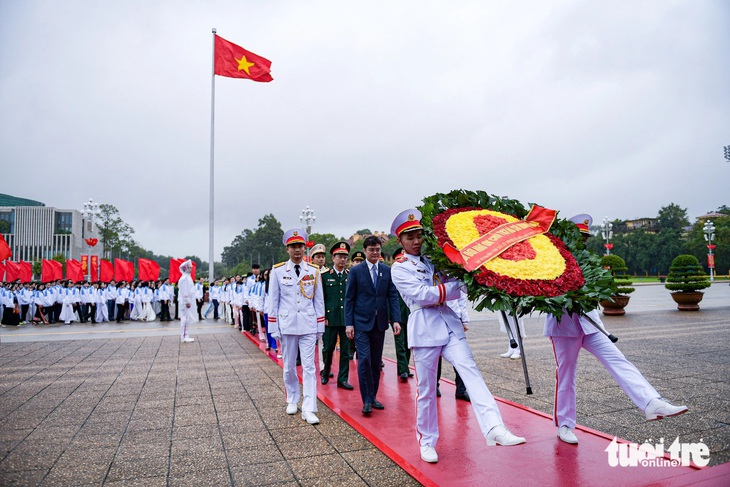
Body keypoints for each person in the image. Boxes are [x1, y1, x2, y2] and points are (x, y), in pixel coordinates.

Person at [390, 208, 526, 464]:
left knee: (471, 371)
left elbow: (461, 277)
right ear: (400, 241)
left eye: (419, 235)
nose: (416, 241)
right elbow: (423, 295)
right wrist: (455, 287)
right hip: (424, 329)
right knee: (427, 389)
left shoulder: (438, 257)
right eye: (410, 237)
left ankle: (494, 427)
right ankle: (427, 441)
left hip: (449, 324)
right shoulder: (399, 268)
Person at [546, 214, 688, 445]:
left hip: (591, 324)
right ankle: (565, 424)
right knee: (566, 376)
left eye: (585, 237)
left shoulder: (588, 260)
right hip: (563, 327)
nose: (583, 241)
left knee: (619, 360)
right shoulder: (551, 260)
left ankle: (651, 402)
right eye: (578, 236)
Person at [268, 228, 324, 425]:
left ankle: (309, 407)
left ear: (304, 248)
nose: (297, 250)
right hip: (288, 324)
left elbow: (319, 300)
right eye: (293, 246)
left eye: (300, 246)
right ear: (287, 249)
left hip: (308, 324)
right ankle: (292, 398)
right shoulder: (278, 271)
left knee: (309, 367)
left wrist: (319, 326)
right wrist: (273, 326)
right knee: (289, 367)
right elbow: (273, 300)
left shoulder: (314, 271)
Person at [345, 235, 402, 415]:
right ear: (365, 251)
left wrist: (396, 320)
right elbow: (349, 298)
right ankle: (366, 400)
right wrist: (349, 324)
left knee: (376, 363)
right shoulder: (356, 271)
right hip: (361, 323)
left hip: (379, 323)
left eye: (377, 249)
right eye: (371, 250)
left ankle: (373, 396)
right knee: (365, 360)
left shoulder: (386, 271)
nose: (375, 253)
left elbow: (392, 296)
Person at [321, 241, 353, 390]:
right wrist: (323, 317)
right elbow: (321, 299)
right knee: (328, 348)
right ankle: (325, 373)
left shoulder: (350, 276)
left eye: (345, 256)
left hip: (345, 319)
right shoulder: (325, 276)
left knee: (345, 351)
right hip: (330, 318)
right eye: (339, 256)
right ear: (333, 258)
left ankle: (343, 379)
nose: (342, 259)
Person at [391, 247, 413, 382]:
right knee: (400, 343)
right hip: (397, 316)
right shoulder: (393, 276)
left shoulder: (410, 276)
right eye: (400, 259)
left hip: (410, 315)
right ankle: (403, 369)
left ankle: (404, 367)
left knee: (408, 343)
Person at [178, 260, 196, 343]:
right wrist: (187, 301)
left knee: (187, 318)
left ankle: (186, 334)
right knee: (185, 319)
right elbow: (185, 292)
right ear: (186, 268)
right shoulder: (185, 278)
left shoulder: (187, 277)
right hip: (185, 302)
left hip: (187, 301)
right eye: (189, 267)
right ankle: (184, 336)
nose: (191, 269)